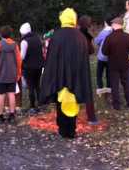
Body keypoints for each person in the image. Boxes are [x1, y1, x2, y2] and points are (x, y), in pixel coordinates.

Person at [40, 8, 94, 139]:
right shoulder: (80, 36)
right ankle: (71, 130)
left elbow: (51, 58)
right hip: (75, 76)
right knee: (72, 101)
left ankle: (62, 129)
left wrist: (50, 75)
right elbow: (84, 57)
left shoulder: (57, 36)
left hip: (60, 76)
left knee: (61, 101)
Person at [0, 26, 22, 124]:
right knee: (11, 94)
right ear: (10, 35)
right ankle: (12, 115)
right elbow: (19, 60)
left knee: (1, 95)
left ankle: (0, 116)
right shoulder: (15, 45)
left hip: (0, 74)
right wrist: (18, 73)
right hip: (12, 74)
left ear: (1, 35)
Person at [102, 16, 129, 110]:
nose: (112, 25)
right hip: (125, 63)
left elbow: (104, 52)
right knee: (126, 83)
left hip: (113, 64)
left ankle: (116, 105)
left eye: (112, 23)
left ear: (116, 25)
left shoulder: (109, 37)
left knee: (115, 85)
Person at [77, 15, 98, 124]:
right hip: (83, 65)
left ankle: (72, 114)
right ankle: (91, 117)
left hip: (73, 64)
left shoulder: (74, 34)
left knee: (73, 88)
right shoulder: (85, 35)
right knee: (87, 89)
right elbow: (91, 51)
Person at [20, 23, 44, 114]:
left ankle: (32, 106)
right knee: (37, 85)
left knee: (31, 87)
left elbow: (22, 56)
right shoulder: (37, 38)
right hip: (39, 66)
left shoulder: (24, 42)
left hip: (29, 67)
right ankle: (41, 104)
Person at [94, 16, 113, 95]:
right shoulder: (114, 31)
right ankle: (109, 88)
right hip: (111, 56)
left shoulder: (104, 32)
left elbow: (97, 41)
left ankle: (100, 88)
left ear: (105, 23)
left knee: (99, 73)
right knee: (109, 73)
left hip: (102, 56)